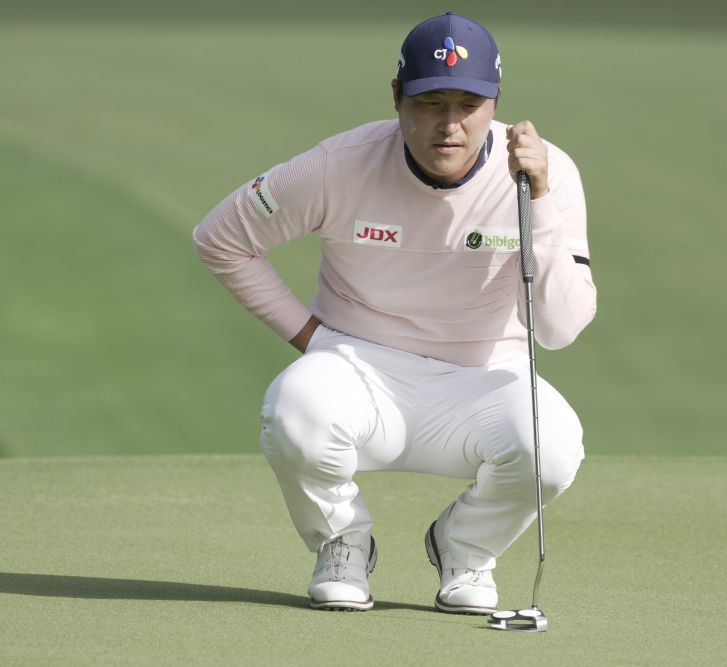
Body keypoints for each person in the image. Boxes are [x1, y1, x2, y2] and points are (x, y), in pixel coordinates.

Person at [192, 12, 596, 614]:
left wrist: (535, 200)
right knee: (295, 409)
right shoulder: (340, 164)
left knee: (553, 449)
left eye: (469, 105)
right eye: (431, 103)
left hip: (487, 376)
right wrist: (311, 338)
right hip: (357, 367)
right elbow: (221, 238)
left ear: (495, 103)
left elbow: (560, 329)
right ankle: (341, 543)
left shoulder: (545, 173)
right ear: (397, 97)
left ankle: (465, 548)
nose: (450, 125)